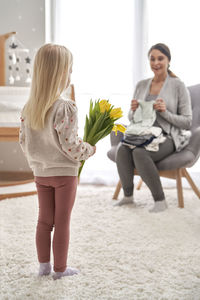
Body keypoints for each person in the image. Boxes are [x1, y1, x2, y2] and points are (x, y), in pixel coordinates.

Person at [19, 44, 96, 280]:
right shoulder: (66, 107)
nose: (70, 76)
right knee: (62, 222)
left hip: (40, 173)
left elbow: (24, 142)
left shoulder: (29, 108)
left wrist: (38, 161)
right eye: (69, 71)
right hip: (64, 175)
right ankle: (60, 270)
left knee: (44, 221)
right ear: (60, 74)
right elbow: (71, 147)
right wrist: (89, 150)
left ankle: (43, 267)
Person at [115, 43, 192, 212]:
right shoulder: (141, 85)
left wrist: (165, 112)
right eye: (152, 59)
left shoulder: (178, 86)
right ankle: (128, 196)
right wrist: (133, 110)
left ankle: (160, 200)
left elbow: (187, 122)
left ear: (168, 60)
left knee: (139, 152)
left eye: (160, 58)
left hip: (168, 136)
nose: (156, 62)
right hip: (141, 133)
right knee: (122, 149)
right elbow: (132, 118)